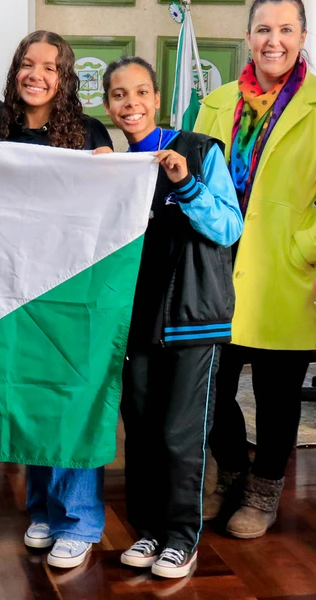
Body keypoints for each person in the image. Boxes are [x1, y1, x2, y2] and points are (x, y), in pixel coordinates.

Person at [193, 0, 316, 539]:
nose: (274, 40)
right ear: (248, 36)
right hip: (216, 270)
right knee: (210, 389)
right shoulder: (214, 103)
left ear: (303, 38)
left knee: (277, 395)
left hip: (285, 274)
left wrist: (302, 245)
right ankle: (231, 475)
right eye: (264, 29)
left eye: (287, 30)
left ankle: (263, 493)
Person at [102, 56, 244, 579]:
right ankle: (148, 531)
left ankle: (182, 538)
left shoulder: (199, 150)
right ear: (108, 104)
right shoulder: (119, 165)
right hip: (136, 325)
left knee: (180, 436)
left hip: (192, 321)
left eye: (140, 92)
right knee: (139, 434)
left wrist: (186, 185)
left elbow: (229, 228)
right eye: (119, 95)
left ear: (157, 99)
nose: (130, 104)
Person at [0, 30, 113, 570]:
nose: (36, 74)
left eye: (50, 66)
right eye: (27, 63)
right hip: (12, 288)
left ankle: (79, 519)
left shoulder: (88, 135)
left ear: (65, 79)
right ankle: (41, 507)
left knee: (72, 399)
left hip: (72, 289)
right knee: (34, 398)